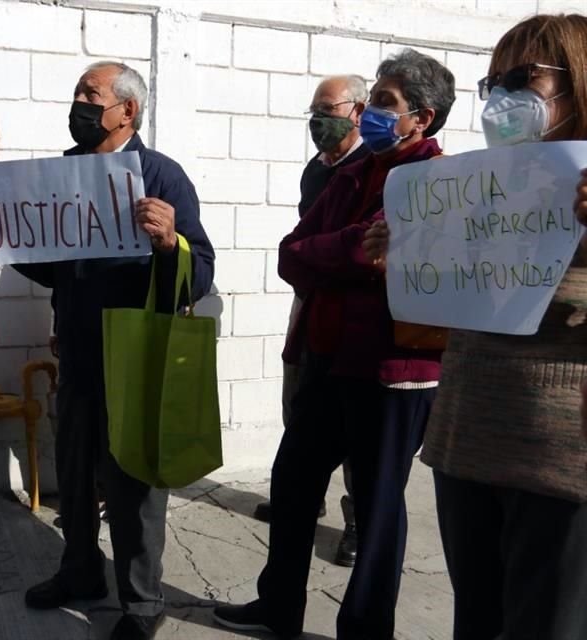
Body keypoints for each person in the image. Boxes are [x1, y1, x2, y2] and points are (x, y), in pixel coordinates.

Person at [214, 49, 455, 639]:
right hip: (325, 359)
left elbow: (409, 265)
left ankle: (366, 628)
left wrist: (344, 256)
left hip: (392, 370)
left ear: (420, 118)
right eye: (372, 98)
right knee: (294, 484)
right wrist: (352, 251)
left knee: (376, 506)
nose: (370, 112)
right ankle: (279, 606)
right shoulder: (348, 173)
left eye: (384, 102)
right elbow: (292, 254)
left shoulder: (442, 183)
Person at [0, 61, 214, 640]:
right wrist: (2, 236)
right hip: (78, 350)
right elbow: (57, 266)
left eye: (91, 93)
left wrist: (168, 241)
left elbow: (198, 272)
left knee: (132, 482)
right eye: (77, 93)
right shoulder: (65, 171)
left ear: (127, 109)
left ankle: (140, 602)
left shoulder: (161, 175)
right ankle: (79, 571)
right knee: (75, 474)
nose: (78, 102)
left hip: (135, 356)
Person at [365, 14, 587, 639]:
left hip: (560, 464)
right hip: (465, 442)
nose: (503, 100)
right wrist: (407, 256)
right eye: (494, 84)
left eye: (524, 79)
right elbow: (451, 311)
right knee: (478, 622)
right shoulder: (477, 188)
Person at [253, 74, 370, 570]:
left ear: (357, 111)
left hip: (351, 317)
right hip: (308, 303)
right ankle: (306, 495)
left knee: (351, 427)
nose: (318, 120)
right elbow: (300, 244)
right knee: (297, 399)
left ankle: (357, 523)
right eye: (313, 111)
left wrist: (310, 256)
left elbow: (352, 249)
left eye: (328, 109)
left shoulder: (371, 167)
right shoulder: (315, 170)